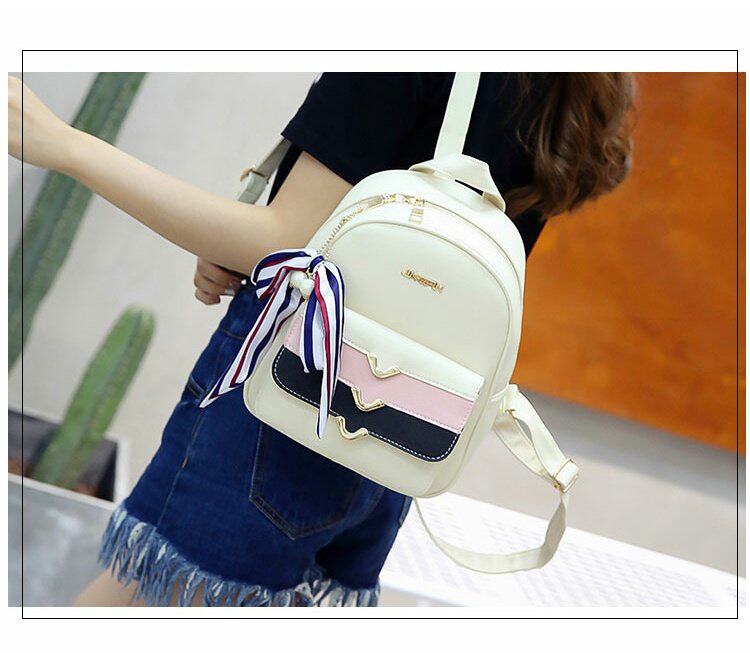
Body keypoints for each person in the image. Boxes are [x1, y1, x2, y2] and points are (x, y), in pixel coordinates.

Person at [8, 72, 635, 607]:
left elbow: (281, 238)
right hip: (402, 426)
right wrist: (249, 247)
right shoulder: (569, 76)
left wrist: (65, 145)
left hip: (289, 397)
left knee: (137, 603)